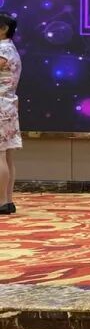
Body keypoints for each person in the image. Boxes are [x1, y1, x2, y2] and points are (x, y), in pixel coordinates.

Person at [0, 14, 21, 215]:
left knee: (1, 156)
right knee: (7, 156)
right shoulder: (10, 48)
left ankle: (1, 201)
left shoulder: (3, 50)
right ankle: (7, 200)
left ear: (4, 28)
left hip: (1, 105)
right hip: (7, 105)